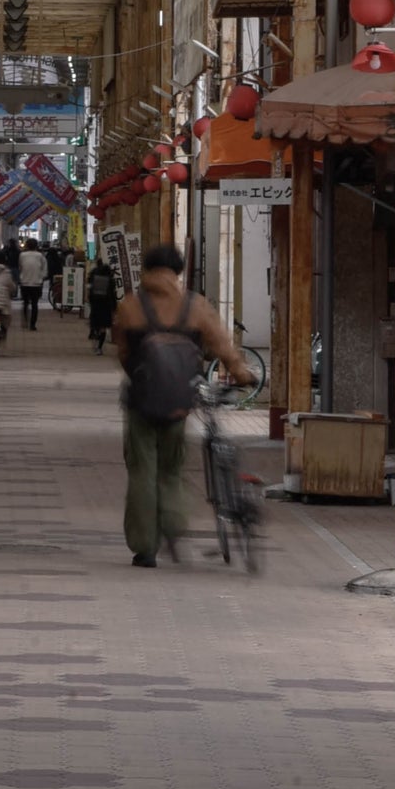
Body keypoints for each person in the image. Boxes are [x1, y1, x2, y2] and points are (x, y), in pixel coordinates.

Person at [112, 243, 252, 568]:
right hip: (179, 402)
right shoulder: (195, 305)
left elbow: (122, 352)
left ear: (146, 270)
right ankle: (174, 523)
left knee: (141, 471)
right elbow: (222, 345)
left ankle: (144, 546)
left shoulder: (131, 306)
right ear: (178, 271)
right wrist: (242, 374)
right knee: (171, 469)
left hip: (141, 402)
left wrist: (142, 377)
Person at [86, 254, 117, 354]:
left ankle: (95, 334)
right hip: (106, 307)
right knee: (103, 328)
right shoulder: (110, 281)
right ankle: (99, 347)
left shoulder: (96, 280)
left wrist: (90, 302)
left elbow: (90, 294)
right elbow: (113, 295)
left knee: (96, 325)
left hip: (96, 306)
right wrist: (114, 308)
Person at [18, 240, 47, 330]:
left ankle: (25, 321)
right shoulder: (40, 256)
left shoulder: (22, 255)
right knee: (35, 304)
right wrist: (41, 277)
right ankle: (32, 324)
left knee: (25, 303)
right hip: (36, 283)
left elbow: (20, 267)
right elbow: (45, 269)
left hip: (25, 282)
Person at [47, 243, 65, 308]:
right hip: (59, 275)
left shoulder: (49, 258)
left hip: (52, 276)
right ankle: (57, 301)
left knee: (54, 289)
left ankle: (54, 303)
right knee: (58, 289)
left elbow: (49, 268)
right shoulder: (57, 258)